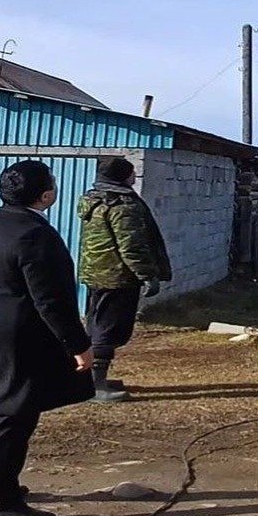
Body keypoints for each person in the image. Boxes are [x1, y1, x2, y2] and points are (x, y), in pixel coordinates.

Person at [0, 160, 94, 516]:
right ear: (46, 195)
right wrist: (77, 344)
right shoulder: (35, 235)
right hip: (20, 336)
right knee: (13, 415)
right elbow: (50, 299)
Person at [75, 156, 172, 402]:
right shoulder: (122, 205)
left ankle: (89, 379)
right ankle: (95, 386)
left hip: (95, 273)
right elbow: (131, 246)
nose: (134, 179)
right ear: (124, 177)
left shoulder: (93, 199)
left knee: (95, 325)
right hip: (117, 277)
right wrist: (148, 275)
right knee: (108, 329)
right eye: (132, 175)